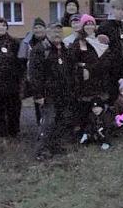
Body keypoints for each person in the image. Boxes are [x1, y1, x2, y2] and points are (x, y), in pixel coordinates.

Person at [29, 23, 74, 160]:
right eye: (54, 31)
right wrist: (38, 94)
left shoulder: (64, 49)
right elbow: (34, 75)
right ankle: (42, 150)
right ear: (47, 33)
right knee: (48, 122)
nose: (57, 34)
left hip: (63, 93)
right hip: (48, 94)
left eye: (59, 32)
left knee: (61, 121)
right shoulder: (40, 49)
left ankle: (56, 146)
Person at [69, 15, 110, 127]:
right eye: (86, 24)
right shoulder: (78, 42)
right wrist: (84, 67)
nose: (89, 26)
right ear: (82, 26)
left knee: (98, 104)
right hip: (85, 81)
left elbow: (105, 59)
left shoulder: (99, 40)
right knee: (85, 105)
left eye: (91, 23)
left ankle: (99, 127)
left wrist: (90, 66)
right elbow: (72, 60)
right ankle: (84, 129)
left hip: (99, 78)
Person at [97, 0, 123, 100]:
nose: (120, 12)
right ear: (112, 10)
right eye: (118, 9)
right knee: (113, 97)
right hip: (111, 70)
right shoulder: (104, 26)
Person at [18, 17, 47, 125]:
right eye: (36, 27)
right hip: (34, 76)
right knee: (38, 102)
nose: (38, 30)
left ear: (45, 28)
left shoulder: (49, 41)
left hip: (48, 76)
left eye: (40, 27)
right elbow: (22, 59)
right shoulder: (27, 42)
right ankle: (40, 126)